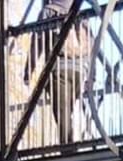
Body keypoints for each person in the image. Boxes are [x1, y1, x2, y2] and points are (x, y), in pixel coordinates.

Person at [24, 0, 93, 146]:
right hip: (79, 71)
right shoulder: (80, 12)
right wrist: (91, 76)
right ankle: (70, 144)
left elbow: (37, 42)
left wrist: (28, 71)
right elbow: (91, 44)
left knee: (62, 113)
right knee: (67, 110)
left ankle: (67, 150)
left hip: (59, 69)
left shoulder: (48, 11)